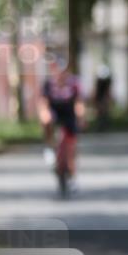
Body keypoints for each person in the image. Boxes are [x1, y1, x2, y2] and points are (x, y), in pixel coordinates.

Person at [38, 55, 85, 193]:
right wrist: (44, 115)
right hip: (54, 112)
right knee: (47, 120)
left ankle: (72, 177)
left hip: (69, 114)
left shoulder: (74, 84)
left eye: (63, 71)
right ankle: (49, 146)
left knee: (70, 147)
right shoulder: (48, 84)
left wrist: (81, 117)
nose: (60, 74)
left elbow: (79, 103)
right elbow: (43, 103)